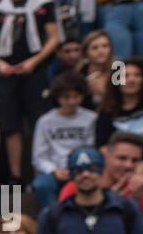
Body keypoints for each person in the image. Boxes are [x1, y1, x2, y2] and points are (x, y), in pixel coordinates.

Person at [0, 0, 60, 182]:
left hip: (35, 69)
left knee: (40, 121)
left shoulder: (44, 4)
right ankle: (16, 176)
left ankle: (40, 171)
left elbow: (54, 38)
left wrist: (34, 61)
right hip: (8, 69)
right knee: (11, 125)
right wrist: (0, 63)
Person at [33, 71, 99, 205]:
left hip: (83, 169)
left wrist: (79, 169)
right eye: (66, 97)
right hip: (54, 170)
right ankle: (54, 218)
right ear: (58, 97)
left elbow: (91, 148)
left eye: (76, 96)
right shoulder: (45, 121)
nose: (71, 101)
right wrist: (53, 170)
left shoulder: (91, 118)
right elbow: (39, 156)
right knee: (41, 185)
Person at [95, 56, 143, 145]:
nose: (131, 80)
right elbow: (102, 146)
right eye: (125, 76)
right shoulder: (107, 112)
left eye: (137, 75)